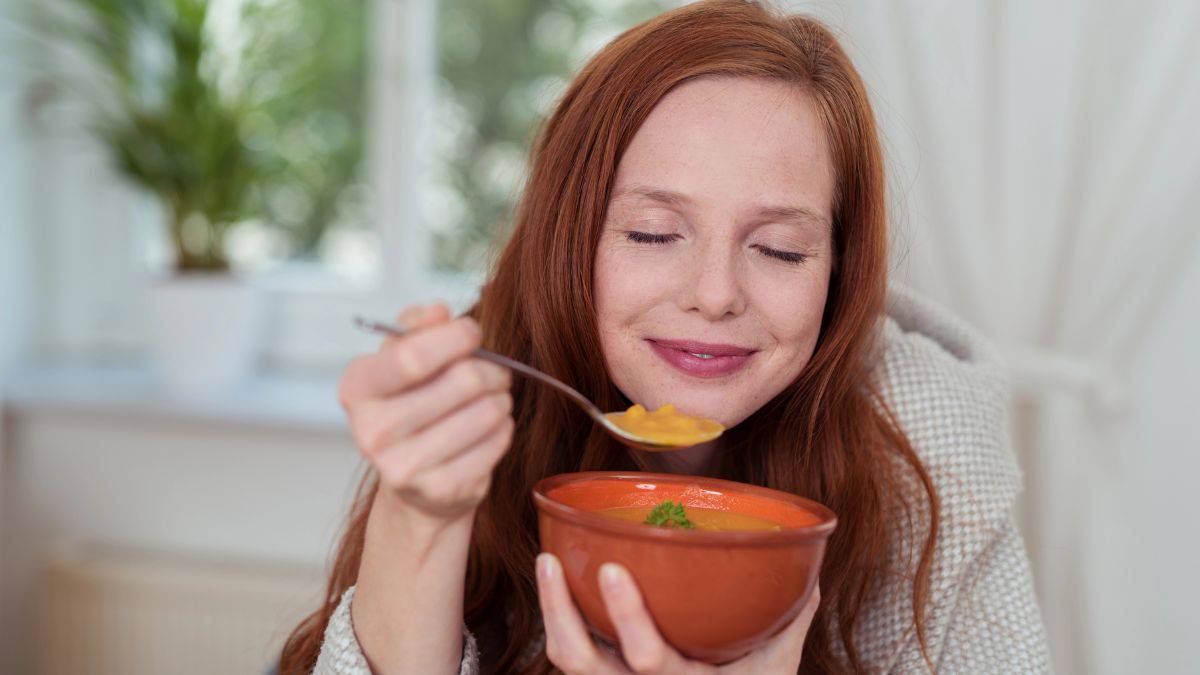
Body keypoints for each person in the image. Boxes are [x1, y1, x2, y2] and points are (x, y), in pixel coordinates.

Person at [282, 1, 1051, 673]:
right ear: (570, 239)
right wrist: (422, 513)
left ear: (839, 273)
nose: (715, 295)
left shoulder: (928, 453)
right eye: (653, 234)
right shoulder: (477, 410)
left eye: (780, 248)